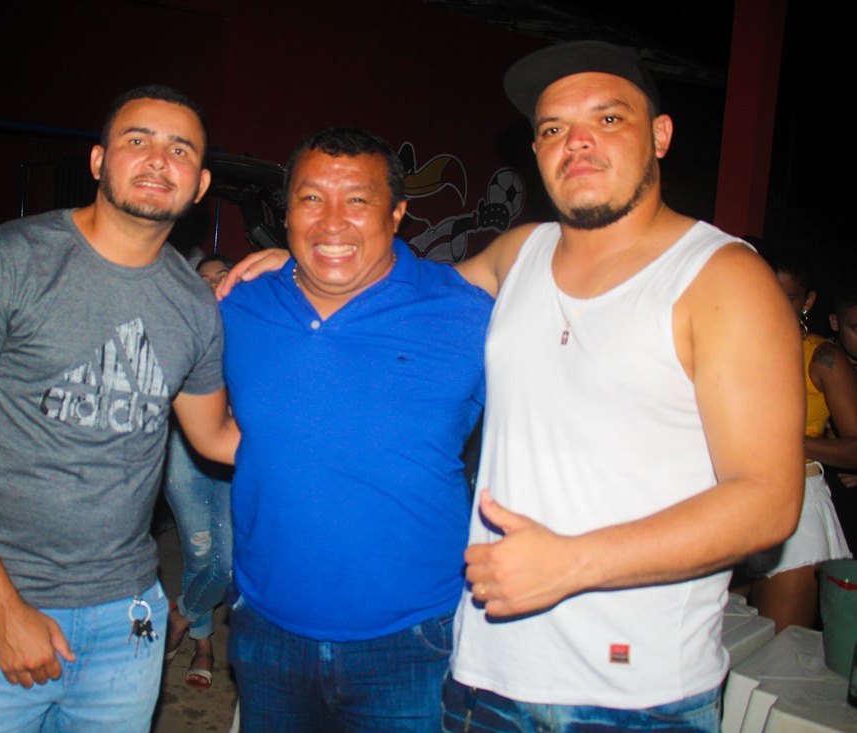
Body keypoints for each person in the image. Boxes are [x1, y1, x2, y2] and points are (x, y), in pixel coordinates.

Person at [439, 41, 803, 731]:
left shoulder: (724, 278)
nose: (576, 142)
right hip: (487, 670)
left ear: (660, 136)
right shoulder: (519, 252)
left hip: (636, 697)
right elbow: (399, 303)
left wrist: (572, 562)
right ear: (537, 151)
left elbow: (767, 501)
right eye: (553, 128)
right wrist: (302, 267)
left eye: (608, 119)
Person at [0, 86, 239, 733]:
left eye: (180, 150)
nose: (157, 159)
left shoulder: (194, 304)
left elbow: (215, 437)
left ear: (199, 185)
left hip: (125, 620)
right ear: (97, 161)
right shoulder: (6, 260)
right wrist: (3, 610)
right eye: (137, 140)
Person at [219, 127, 493, 732]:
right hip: (266, 630)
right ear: (286, 213)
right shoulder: (238, 307)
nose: (332, 222)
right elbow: (219, 434)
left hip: (414, 641)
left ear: (397, 214)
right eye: (311, 199)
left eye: (358, 200)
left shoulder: (467, 313)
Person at [744, 251, 853, 630]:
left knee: (776, 650)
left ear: (807, 301)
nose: (770, 301)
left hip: (797, 503)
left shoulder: (823, 358)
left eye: (786, 296)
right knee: (725, 644)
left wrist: (786, 441)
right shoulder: (735, 346)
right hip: (734, 501)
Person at [163, 254, 236, 690]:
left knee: (225, 565)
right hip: (183, 447)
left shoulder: (252, 324)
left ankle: (180, 618)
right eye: (202, 279)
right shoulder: (178, 324)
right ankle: (203, 645)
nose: (211, 285)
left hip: (231, 451)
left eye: (221, 277)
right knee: (198, 554)